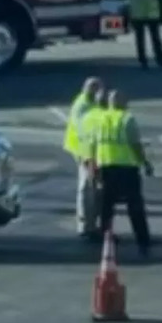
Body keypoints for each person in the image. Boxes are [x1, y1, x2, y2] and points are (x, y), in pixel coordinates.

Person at [91, 89, 154, 258]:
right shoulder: (127, 119)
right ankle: (143, 240)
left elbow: (94, 144)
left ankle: (106, 240)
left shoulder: (100, 119)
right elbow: (135, 144)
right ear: (121, 102)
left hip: (105, 167)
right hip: (126, 168)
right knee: (135, 207)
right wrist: (145, 162)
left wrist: (94, 166)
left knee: (106, 206)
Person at [63, 77, 105, 240]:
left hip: (87, 150)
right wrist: (89, 158)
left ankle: (90, 222)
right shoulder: (83, 106)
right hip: (84, 151)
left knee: (92, 187)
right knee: (87, 187)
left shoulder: (88, 102)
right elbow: (86, 133)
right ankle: (86, 225)